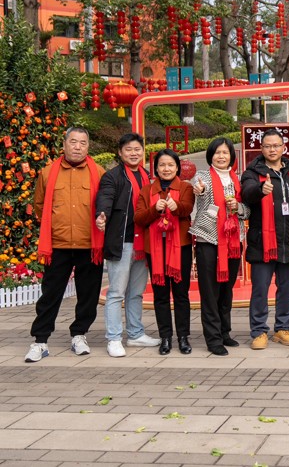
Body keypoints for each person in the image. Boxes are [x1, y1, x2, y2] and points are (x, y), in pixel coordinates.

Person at [25, 127, 106, 363]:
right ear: (64, 145)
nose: (78, 147)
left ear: (88, 147)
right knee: (50, 294)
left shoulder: (99, 172)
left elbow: (105, 205)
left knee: (88, 294)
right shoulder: (47, 172)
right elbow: (39, 206)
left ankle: (79, 335)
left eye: (83, 143)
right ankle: (40, 340)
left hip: (89, 244)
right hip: (58, 245)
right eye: (73, 142)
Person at [241, 129, 289, 349]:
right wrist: (261, 189)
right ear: (261, 149)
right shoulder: (252, 173)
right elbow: (247, 194)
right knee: (260, 289)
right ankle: (259, 331)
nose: (272, 149)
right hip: (263, 243)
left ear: (283, 148)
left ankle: (282, 328)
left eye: (276, 145)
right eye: (268, 146)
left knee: (286, 288)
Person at [94, 133, 160, 358]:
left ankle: (135, 333)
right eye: (129, 149)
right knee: (116, 293)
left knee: (136, 292)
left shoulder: (147, 176)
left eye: (137, 149)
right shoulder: (112, 176)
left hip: (143, 243)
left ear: (143, 151)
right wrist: (102, 214)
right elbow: (105, 198)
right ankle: (113, 338)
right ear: (120, 153)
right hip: (122, 242)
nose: (134, 153)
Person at [190, 137, 250, 355]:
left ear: (232, 156)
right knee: (210, 291)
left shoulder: (239, 179)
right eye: (217, 152)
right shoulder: (203, 176)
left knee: (226, 291)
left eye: (225, 152)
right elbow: (199, 189)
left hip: (233, 241)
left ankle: (225, 332)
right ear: (211, 155)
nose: (221, 156)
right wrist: (200, 189)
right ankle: (213, 339)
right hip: (209, 240)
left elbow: (248, 210)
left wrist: (238, 206)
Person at [135, 149, 195, 355]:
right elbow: (139, 218)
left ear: (177, 167)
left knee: (181, 294)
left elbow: (187, 209)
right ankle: (165, 338)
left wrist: (175, 206)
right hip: (155, 248)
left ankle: (183, 337)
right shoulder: (146, 191)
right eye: (162, 165)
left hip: (180, 247)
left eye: (170, 165)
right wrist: (155, 209)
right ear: (156, 169)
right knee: (160, 295)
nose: (166, 169)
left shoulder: (186, 187)